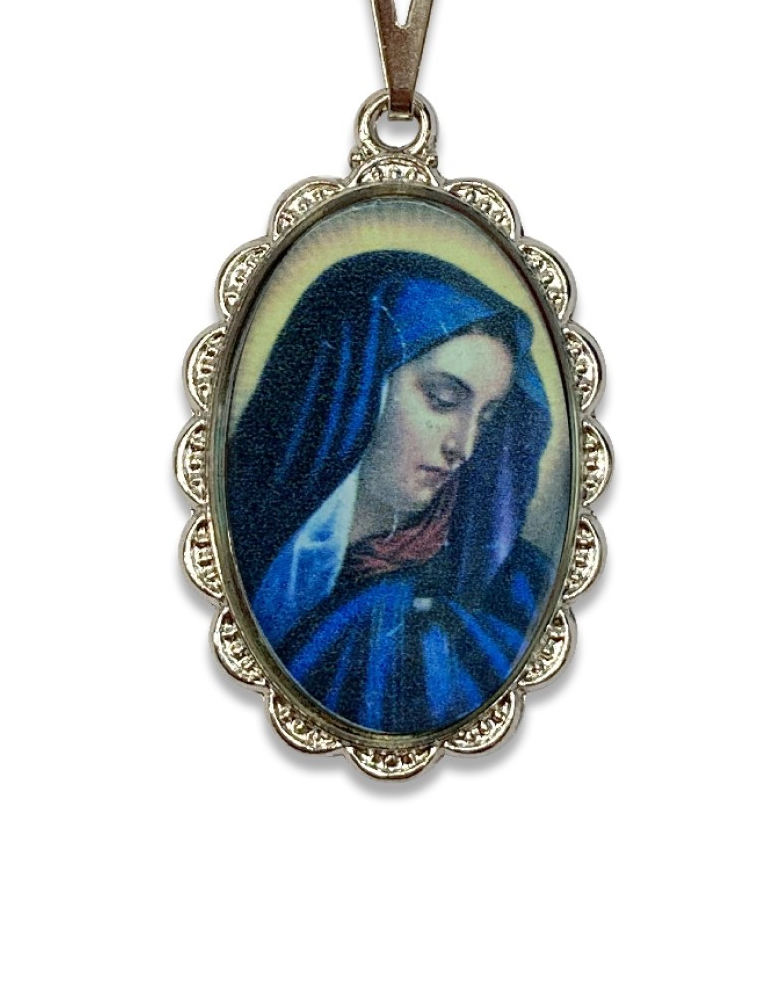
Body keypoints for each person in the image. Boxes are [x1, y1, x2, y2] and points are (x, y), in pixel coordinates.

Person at [227, 250, 557, 736]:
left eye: (486, 418)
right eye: (443, 400)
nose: (463, 447)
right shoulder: (241, 539)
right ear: (357, 384)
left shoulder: (513, 594)